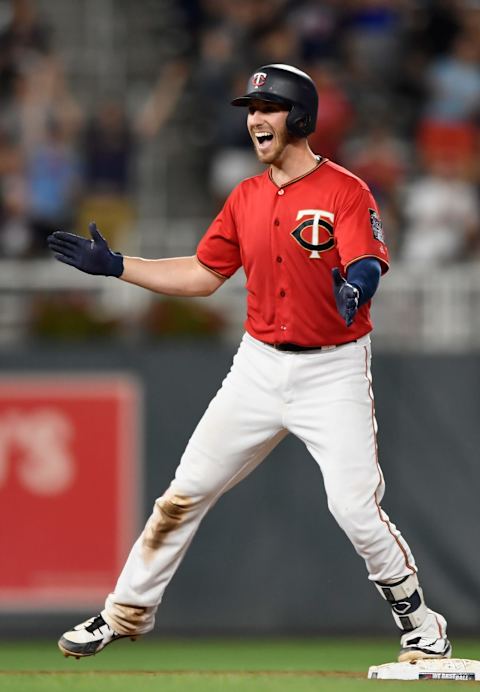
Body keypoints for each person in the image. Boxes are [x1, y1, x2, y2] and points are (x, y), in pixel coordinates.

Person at [47, 63, 451, 663]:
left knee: (354, 509)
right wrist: (119, 267)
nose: (255, 120)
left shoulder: (345, 189)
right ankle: (123, 613)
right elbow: (204, 275)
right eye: (251, 110)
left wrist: (358, 287)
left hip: (331, 369)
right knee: (183, 494)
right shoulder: (246, 196)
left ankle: (422, 623)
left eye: (268, 108)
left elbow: (365, 259)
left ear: (303, 117)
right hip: (258, 366)